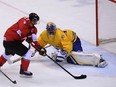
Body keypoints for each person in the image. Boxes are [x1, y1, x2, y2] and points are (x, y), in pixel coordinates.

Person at [37, 22, 108, 68]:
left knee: (78, 56)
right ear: (47, 30)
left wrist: (64, 52)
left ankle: (98, 59)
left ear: (55, 29)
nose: (51, 32)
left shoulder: (60, 35)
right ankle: (59, 54)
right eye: (49, 30)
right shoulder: (44, 34)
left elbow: (68, 45)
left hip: (74, 42)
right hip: (61, 45)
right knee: (70, 60)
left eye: (52, 30)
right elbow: (40, 42)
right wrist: (36, 48)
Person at [0, 13, 46, 77]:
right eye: (35, 20)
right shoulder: (23, 21)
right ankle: (23, 70)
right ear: (31, 19)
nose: (35, 22)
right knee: (27, 53)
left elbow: (34, 40)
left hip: (13, 42)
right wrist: (30, 39)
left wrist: (39, 47)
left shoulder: (34, 29)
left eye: (37, 21)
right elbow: (25, 32)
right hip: (10, 41)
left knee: (8, 54)